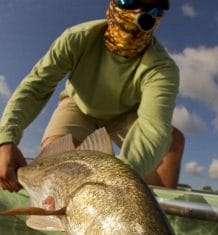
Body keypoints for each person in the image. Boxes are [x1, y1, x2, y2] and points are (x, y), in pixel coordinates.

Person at [0, 0, 185, 193]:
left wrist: (115, 178)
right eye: (130, 2)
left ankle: (152, 215)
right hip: (78, 105)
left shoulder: (163, 68)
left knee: (172, 143)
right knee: (56, 155)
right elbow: (36, 87)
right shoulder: (76, 38)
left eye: (154, 9)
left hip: (125, 114)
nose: (141, 15)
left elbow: (153, 128)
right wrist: (5, 140)